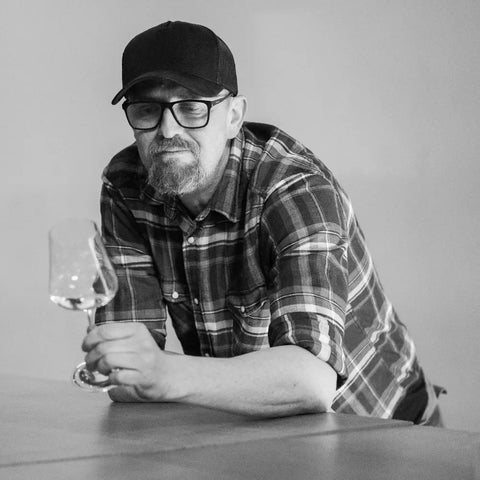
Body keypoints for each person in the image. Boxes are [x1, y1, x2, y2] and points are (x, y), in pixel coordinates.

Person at [82, 20, 444, 424]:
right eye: (147, 110)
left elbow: (311, 381)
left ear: (234, 116)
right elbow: (125, 371)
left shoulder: (294, 188)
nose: (168, 130)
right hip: (257, 426)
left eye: (191, 108)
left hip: (383, 427)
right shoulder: (126, 185)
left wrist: (163, 373)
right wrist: (135, 369)